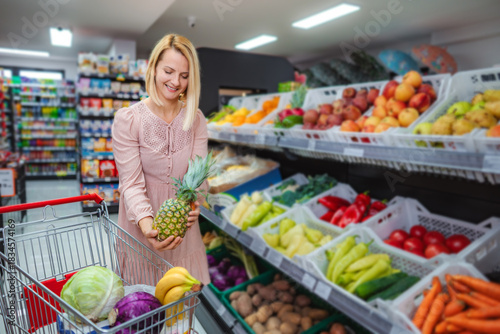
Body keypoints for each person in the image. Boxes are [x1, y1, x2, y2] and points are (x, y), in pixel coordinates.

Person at [112, 33, 210, 285]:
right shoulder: (129, 119)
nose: (176, 81)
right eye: (168, 71)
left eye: (185, 76)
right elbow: (130, 183)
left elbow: (200, 176)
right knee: (142, 313)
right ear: (154, 68)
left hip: (182, 232)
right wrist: (148, 228)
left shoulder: (196, 119)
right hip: (139, 228)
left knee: (180, 310)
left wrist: (194, 205)